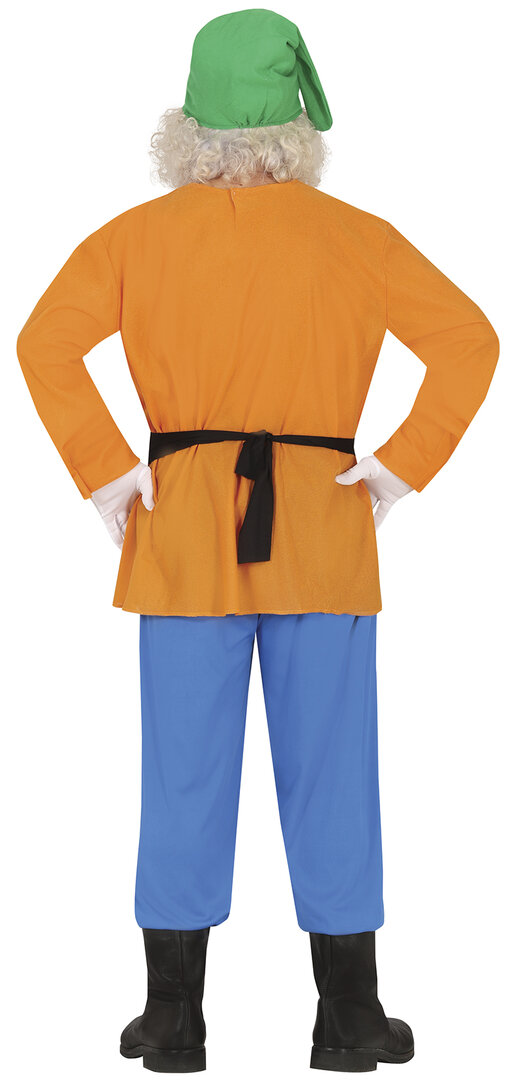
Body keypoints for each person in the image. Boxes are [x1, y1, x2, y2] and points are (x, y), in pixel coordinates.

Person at [16, 8, 499, 1074]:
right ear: (298, 130)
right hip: (324, 525)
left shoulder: (134, 238)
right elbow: (471, 338)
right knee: (334, 773)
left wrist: (108, 472)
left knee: (181, 775)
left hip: (182, 531)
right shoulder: (357, 238)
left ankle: (173, 1020)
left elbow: (42, 341)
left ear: (188, 127)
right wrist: (398, 466)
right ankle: (350, 1017)